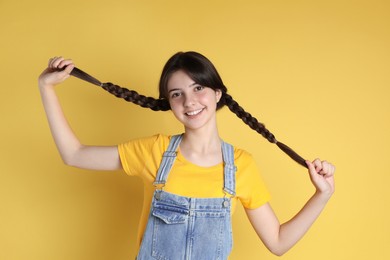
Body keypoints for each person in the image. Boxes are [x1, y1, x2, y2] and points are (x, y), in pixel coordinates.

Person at [38, 52, 335, 259]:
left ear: (218, 93)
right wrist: (46, 88)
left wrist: (321, 195)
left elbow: (278, 243)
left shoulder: (241, 166)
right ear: (169, 103)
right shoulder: (153, 152)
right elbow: (74, 154)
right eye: (177, 93)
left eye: (198, 87)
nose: (189, 101)